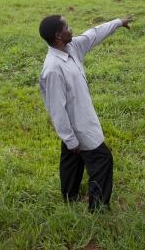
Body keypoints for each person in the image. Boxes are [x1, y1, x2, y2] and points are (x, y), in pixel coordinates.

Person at [39, 15, 132, 212]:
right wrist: (70, 139)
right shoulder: (53, 69)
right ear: (58, 35)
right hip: (80, 126)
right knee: (102, 160)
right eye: (67, 27)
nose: (71, 29)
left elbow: (94, 34)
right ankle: (98, 209)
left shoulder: (71, 48)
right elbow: (57, 109)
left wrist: (118, 22)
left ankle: (69, 196)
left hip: (81, 122)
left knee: (72, 159)